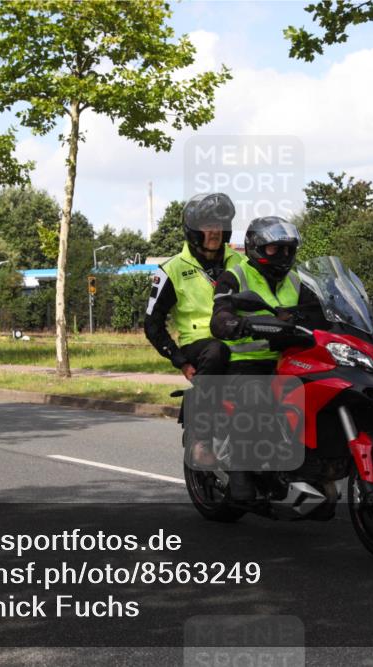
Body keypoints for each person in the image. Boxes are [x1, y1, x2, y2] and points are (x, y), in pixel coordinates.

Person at [210, 216, 321, 500]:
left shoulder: (296, 281)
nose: (283, 256)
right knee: (255, 395)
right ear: (256, 248)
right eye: (275, 249)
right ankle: (241, 471)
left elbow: (321, 313)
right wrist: (233, 324)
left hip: (291, 357)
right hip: (247, 362)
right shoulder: (235, 276)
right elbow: (220, 312)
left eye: (288, 249)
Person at [144, 193, 246, 465]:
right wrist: (180, 361)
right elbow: (152, 323)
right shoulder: (172, 269)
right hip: (201, 344)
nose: (214, 231)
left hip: (241, 339)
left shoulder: (242, 264)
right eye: (207, 224)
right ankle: (201, 436)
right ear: (192, 230)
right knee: (216, 351)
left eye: (220, 224)